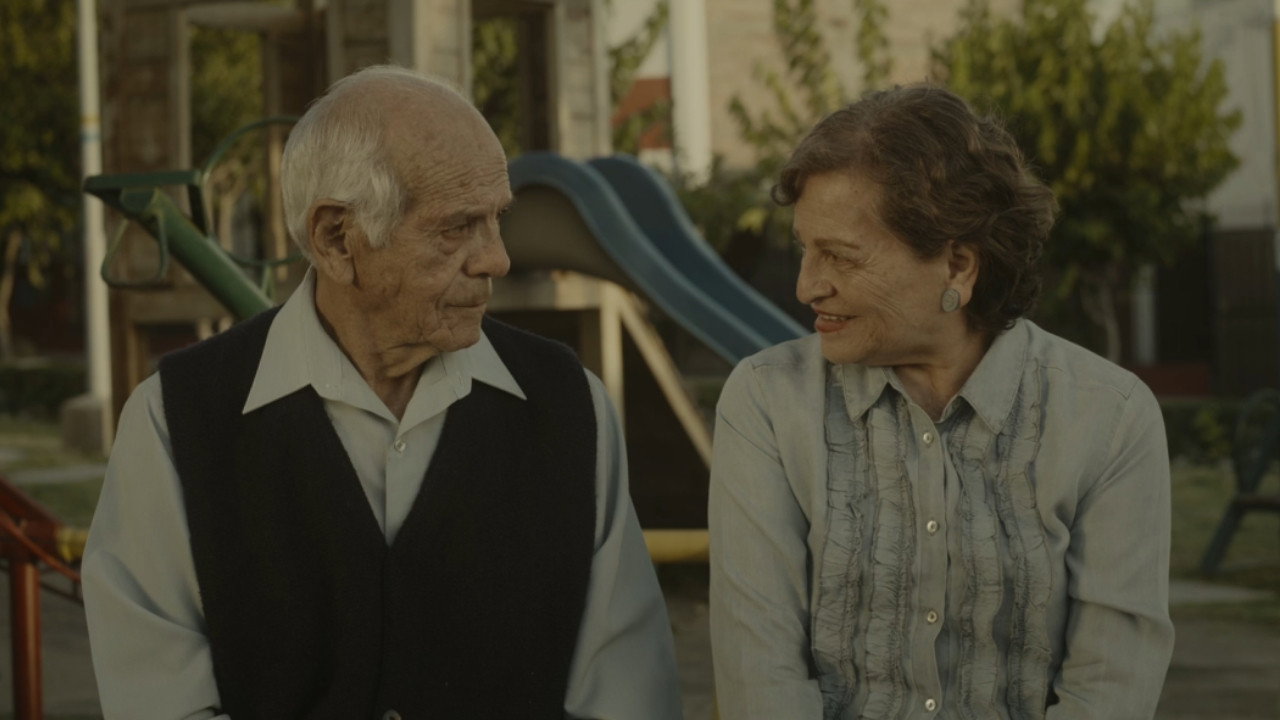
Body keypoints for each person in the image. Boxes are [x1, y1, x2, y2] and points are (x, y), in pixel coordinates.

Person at [82, 65, 682, 720]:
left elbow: (628, 698)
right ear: (336, 239)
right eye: (457, 227)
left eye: (497, 219)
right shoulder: (175, 423)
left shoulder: (570, 408)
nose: (497, 259)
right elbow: (160, 704)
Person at [709, 85, 1173, 720]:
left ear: (957, 265)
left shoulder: (1110, 417)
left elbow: (1110, 689)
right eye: (805, 249)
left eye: (839, 256)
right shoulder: (766, 401)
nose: (807, 286)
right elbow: (759, 676)